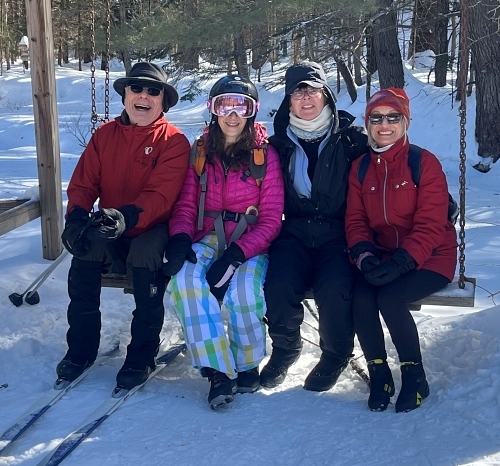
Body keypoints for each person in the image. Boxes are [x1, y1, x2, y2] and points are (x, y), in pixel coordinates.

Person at [57, 62, 190, 390]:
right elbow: (84, 183)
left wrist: (126, 217)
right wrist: (76, 218)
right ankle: (81, 349)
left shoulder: (174, 142)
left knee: (145, 255)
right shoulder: (104, 135)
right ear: (126, 95)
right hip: (110, 225)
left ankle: (142, 352)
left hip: (151, 228)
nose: (144, 95)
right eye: (136, 88)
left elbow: (161, 195)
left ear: (163, 101)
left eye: (153, 90)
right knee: (86, 248)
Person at [163, 75, 284, 409]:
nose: (232, 114)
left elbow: (272, 218)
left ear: (252, 111)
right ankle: (218, 369)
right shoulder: (201, 152)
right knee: (185, 281)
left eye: (241, 106)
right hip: (208, 235)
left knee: (243, 293)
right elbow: (187, 204)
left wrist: (235, 255)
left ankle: (246, 363)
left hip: (250, 241)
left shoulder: (264, 156)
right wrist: (180, 238)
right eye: (224, 105)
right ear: (213, 110)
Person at [345, 88, 457, 412]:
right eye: (376, 118)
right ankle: (379, 374)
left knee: (390, 298)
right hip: (381, 255)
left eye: (392, 117)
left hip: (431, 257)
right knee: (362, 296)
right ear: (368, 123)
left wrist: (403, 262)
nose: (384, 125)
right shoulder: (361, 168)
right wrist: (364, 256)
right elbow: (355, 220)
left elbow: (431, 224)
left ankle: (414, 375)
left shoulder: (423, 163)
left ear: (405, 121)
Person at [261, 61, 368, 391]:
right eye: (298, 92)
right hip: (293, 230)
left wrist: (433, 200)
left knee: (334, 287)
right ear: (288, 101)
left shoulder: (352, 141)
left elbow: (387, 170)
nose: (306, 99)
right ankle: (285, 349)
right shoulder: (277, 145)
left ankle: (335, 354)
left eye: (313, 91)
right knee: (278, 283)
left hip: (338, 232)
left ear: (327, 96)